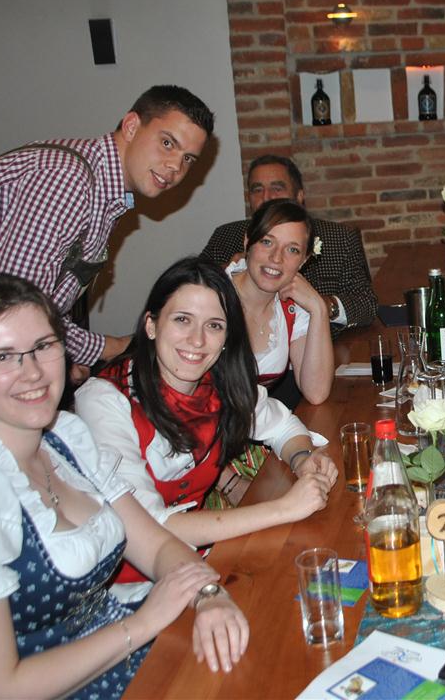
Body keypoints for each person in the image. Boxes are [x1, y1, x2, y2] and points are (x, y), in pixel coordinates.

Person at [0, 275, 249, 699]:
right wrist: (143, 624)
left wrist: (208, 595)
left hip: (123, 652)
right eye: (3, 357)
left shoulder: (66, 441)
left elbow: (156, 545)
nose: (33, 372)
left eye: (43, 346)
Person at [0, 85, 214, 442]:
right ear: (132, 125)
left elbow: (36, 302)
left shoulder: (103, 188)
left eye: (188, 159)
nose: (175, 167)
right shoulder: (68, 177)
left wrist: (60, 355)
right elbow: (15, 309)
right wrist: (110, 347)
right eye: (167, 143)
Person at [75, 257, 338, 603]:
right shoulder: (104, 399)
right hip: (122, 595)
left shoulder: (219, 382)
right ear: (151, 325)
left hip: (200, 567)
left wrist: (302, 458)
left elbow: (282, 425)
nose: (197, 340)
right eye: (182, 320)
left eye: (214, 325)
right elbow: (148, 525)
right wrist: (284, 508)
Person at [200, 154, 377, 339]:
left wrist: (321, 305)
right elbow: (192, 283)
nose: (266, 197)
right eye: (257, 189)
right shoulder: (226, 236)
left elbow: (367, 304)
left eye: (277, 188)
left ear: (299, 196)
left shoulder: (339, 238)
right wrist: (227, 270)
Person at [226, 199, 334, 407]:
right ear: (247, 242)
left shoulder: (292, 309)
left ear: (304, 260)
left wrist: (318, 308)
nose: (276, 258)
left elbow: (316, 392)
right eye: (267, 242)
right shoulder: (212, 296)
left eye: (292, 250)